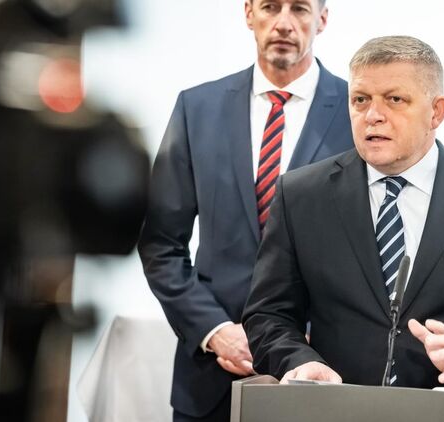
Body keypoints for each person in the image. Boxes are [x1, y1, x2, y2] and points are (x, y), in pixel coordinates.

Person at [242, 35, 444, 389]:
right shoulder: (301, 196)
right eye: (360, 100)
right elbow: (267, 316)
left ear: (436, 112)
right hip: (336, 409)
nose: (373, 116)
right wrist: (300, 362)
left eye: (394, 100)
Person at [137, 0, 353, 420]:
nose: (284, 23)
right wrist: (215, 331)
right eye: (271, 7)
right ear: (249, 13)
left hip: (320, 372)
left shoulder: (358, 112)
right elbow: (161, 245)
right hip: (210, 377)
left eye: (300, 9)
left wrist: (310, 338)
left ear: (322, 19)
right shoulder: (197, 108)